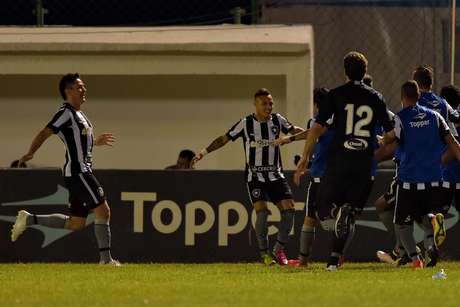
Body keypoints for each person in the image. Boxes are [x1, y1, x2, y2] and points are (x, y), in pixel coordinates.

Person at [294, 51, 394, 271]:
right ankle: (333, 261)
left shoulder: (335, 95)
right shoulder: (376, 97)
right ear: (365, 71)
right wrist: (377, 143)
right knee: (351, 213)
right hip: (363, 164)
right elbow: (390, 135)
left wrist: (304, 157)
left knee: (323, 204)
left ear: (345, 72)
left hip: (339, 161)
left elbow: (316, 128)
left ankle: (336, 216)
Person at [11, 73, 120, 266]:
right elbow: (45, 132)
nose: (83, 89)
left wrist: (95, 142)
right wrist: (30, 153)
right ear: (68, 91)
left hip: (80, 172)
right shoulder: (65, 113)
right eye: (79, 87)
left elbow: (78, 143)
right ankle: (106, 260)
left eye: (83, 86)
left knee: (76, 223)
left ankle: (28, 219)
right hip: (79, 172)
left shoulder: (80, 115)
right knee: (103, 211)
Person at [193, 88, 305, 265]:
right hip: (255, 177)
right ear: (255, 104)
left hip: (276, 175)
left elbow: (295, 131)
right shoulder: (245, 123)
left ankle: (278, 249)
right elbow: (224, 139)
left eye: (271, 103)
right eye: (264, 103)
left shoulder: (278, 120)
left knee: (290, 211)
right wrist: (203, 152)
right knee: (262, 213)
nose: (268, 106)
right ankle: (265, 254)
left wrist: (307, 134)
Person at [380, 80, 460, 268]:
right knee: (425, 215)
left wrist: (383, 139)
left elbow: (391, 137)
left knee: (401, 222)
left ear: (402, 97)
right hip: (434, 179)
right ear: (418, 97)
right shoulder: (435, 117)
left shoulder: (401, 118)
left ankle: (415, 259)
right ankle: (432, 236)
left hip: (409, 180)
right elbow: (453, 142)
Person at [273, 87, 333, 267]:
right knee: (335, 216)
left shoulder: (317, 120)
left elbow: (313, 134)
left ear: (316, 105)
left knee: (311, 218)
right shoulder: (341, 120)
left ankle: (304, 261)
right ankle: (338, 255)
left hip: (320, 176)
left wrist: (289, 140)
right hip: (338, 175)